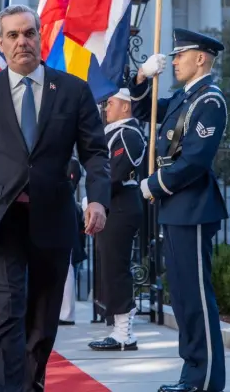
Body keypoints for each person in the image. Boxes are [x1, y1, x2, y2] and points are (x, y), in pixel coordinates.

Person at [0, 3, 111, 392]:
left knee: (42, 320)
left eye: (28, 33)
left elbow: (95, 152)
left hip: (53, 219)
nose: (21, 41)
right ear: (0, 43)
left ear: (41, 37)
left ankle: (30, 385)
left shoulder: (72, 90)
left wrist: (97, 199)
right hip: (2, 221)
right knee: (9, 313)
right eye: (12, 35)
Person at [129, 29, 229, 392]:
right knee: (184, 298)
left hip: (193, 207)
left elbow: (195, 161)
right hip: (176, 207)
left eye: (179, 56)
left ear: (200, 58)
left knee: (196, 298)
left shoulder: (209, 100)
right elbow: (143, 109)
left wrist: (153, 184)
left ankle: (204, 380)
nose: (173, 62)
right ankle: (192, 376)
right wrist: (142, 77)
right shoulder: (184, 98)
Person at [88, 89, 147, 351]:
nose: (106, 108)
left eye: (110, 103)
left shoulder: (128, 134)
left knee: (116, 268)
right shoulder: (112, 133)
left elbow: (114, 173)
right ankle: (118, 330)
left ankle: (125, 334)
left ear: (126, 107)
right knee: (110, 268)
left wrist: (93, 200)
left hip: (121, 206)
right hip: (112, 206)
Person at [59, 155, 89, 325]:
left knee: (66, 266)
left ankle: (66, 314)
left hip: (62, 210)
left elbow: (70, 185)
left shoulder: (72, 162)